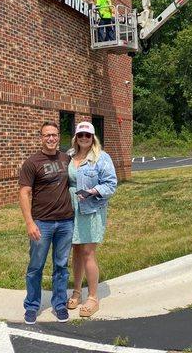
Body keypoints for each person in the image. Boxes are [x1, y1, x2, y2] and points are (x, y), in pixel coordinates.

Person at [19, 121, 74, 325]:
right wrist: (29, 223)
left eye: (54, 134)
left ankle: (60, 304)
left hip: (66, 222)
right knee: (36, 266)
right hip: (42, 223)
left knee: (61, 266)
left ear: (59, 136)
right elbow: (24, 193)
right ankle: (32, 306)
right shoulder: (32, 163)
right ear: (40, 138)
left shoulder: (67, 159)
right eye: (46, 135)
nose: (51, 138)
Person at [67, 121, 117, 317]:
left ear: (93, 137)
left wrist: (92, 191)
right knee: (76, 251)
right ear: (76, 137)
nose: (84, 138)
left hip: (91, 209)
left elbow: (111, 184)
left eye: (88, 135)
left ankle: (93, 298)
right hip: (70, 210)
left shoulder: (101, 158)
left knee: (88, 252)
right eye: (81, 135)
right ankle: (77, 292)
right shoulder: (69, 156)